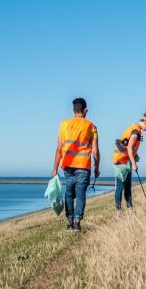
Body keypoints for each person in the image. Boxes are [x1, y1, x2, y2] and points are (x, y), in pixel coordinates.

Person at [51, 97, 100, 232]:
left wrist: (54, 168)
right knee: (80, 194)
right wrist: (97, 167)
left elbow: (59, 148)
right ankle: (77, 222)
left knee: (68, 193)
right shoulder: (91, 126)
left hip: (67, 166)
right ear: (85, 111)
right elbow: (95, 151)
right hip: (84, 166)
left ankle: (70, 221)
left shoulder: (64, 124)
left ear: (73, 110)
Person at [113, 109, 146, 210]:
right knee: (120, 187)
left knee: (128, 187)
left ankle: (130, 209)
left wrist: (135, 155)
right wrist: (134, 164)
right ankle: (118, 210)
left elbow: (131, 147)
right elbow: (129, 147)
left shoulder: (137, 129)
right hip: (121, 161)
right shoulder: (136, 131)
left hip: (126, 160)